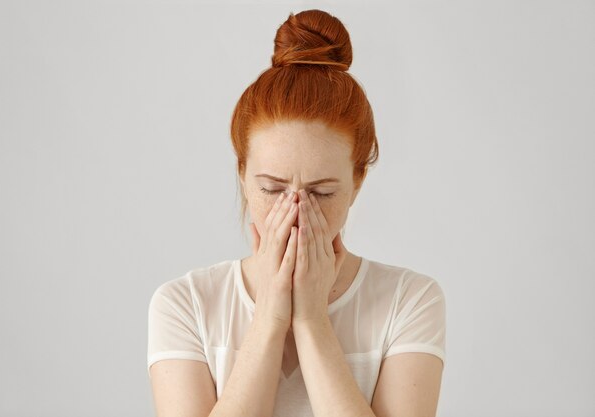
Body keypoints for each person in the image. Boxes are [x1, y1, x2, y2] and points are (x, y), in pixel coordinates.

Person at [147, 9, 446, 417]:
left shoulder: (409, 301)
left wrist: (312, 322)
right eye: (271, 188)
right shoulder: (186, 305)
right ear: (242, 175)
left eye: (322, 192)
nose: (296, 213)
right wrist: (270, 314)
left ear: (357, 181)